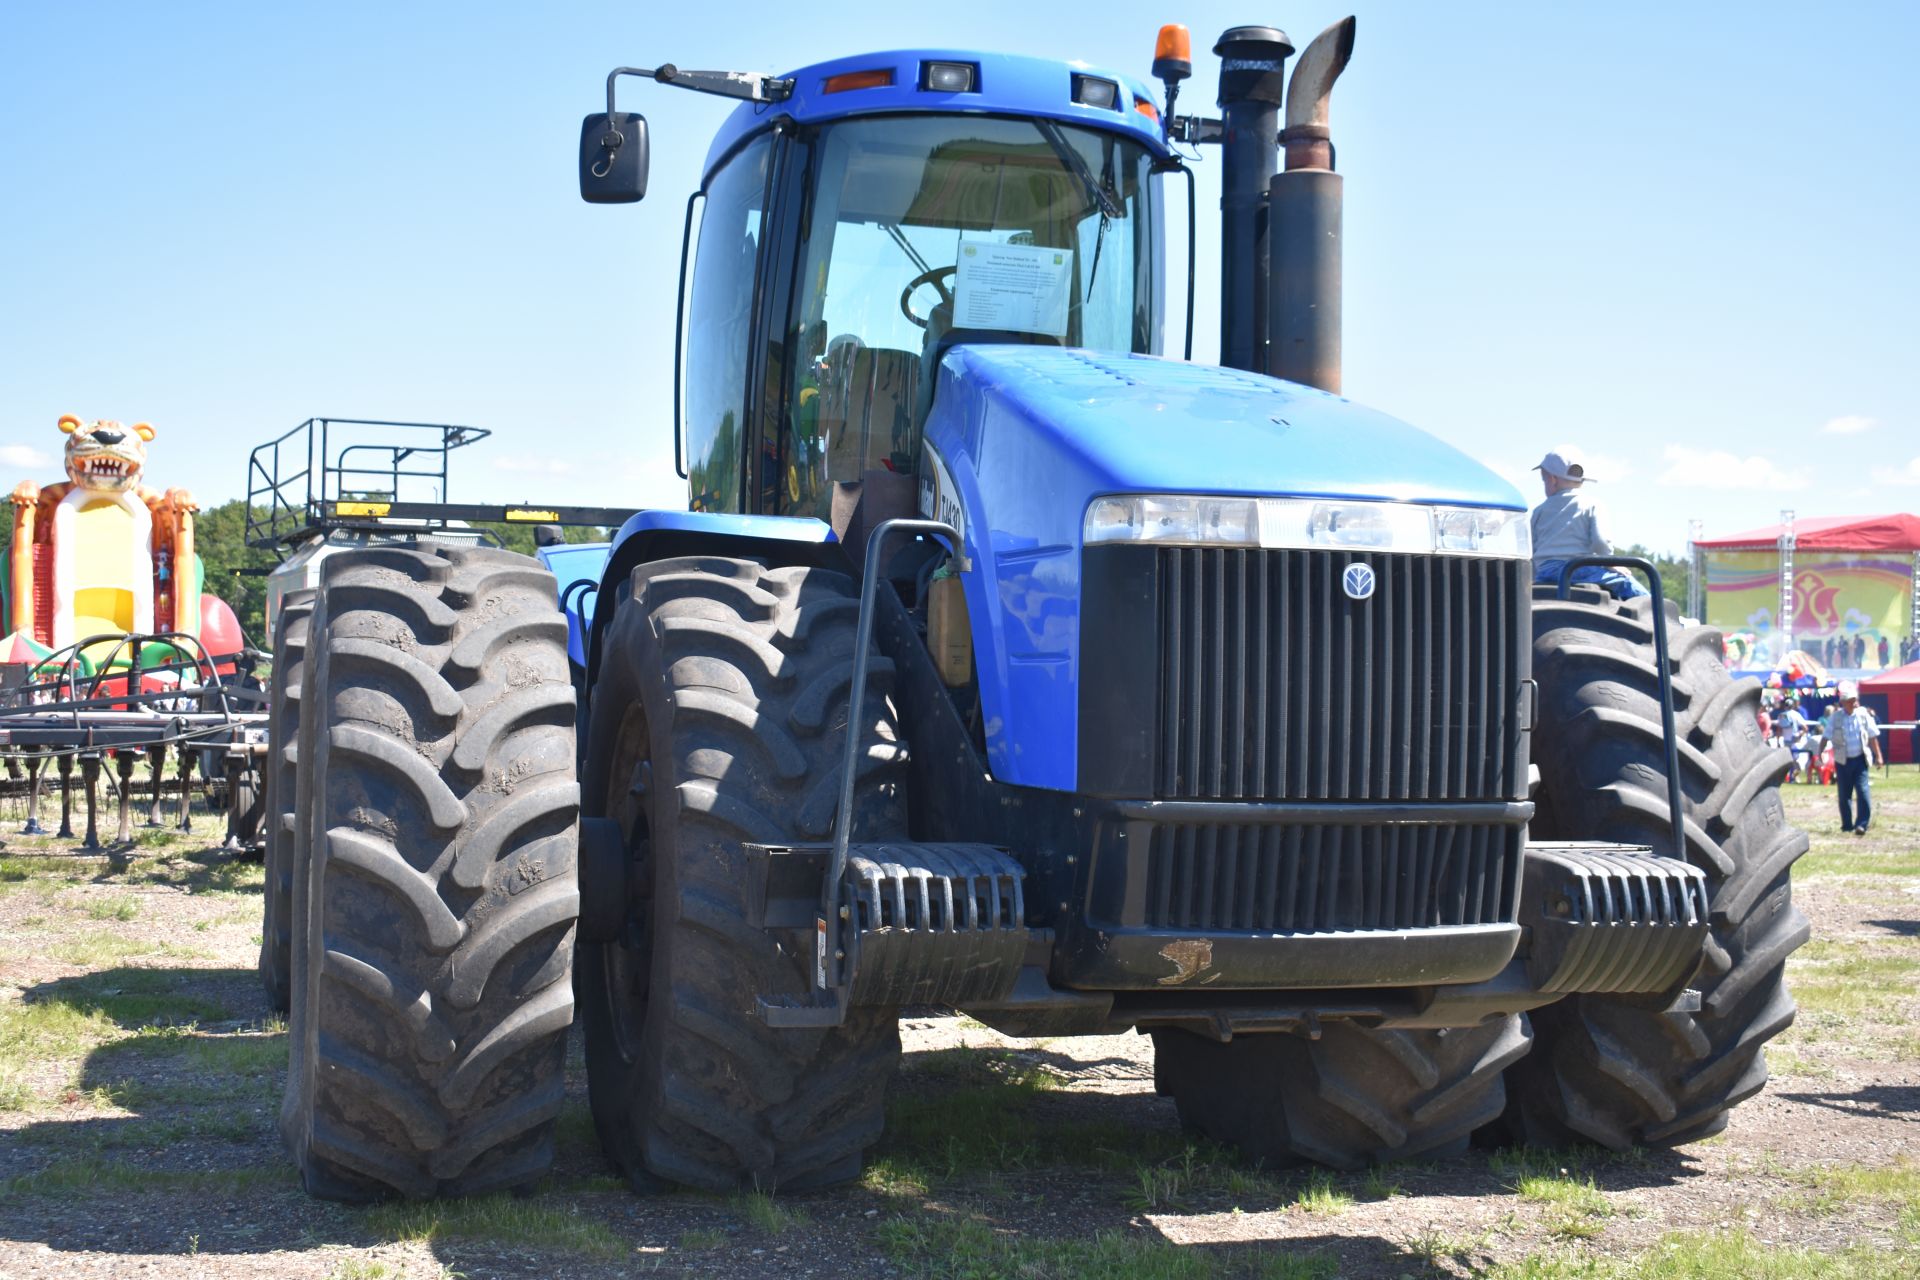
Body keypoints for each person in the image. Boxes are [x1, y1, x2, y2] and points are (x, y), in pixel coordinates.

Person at [1528, 447, 1649, 600]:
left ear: (1552, 479)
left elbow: (1530, 548)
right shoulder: (1592, 504)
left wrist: (1533, 579)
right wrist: (1609, 563)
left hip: (1545, 574)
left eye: (1543, 480)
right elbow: (1601, 541)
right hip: (1578, 569)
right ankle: (1661, 615)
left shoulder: (1539, 510)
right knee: (1626, 584)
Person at [1823, 680, 1885, 835]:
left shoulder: (1863, 716)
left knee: (1863, 792)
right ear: (1843, 702)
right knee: (1844, 795)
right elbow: (1825, 736)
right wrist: (1819, 753)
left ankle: (1862, 824)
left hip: (1860, 760)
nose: (1853, 703)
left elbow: (1872, 737)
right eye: (1850, 701)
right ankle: (1847, 825)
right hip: (1842, 761)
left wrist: (1879, 756)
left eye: (1854, 700)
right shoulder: (1835, 718)